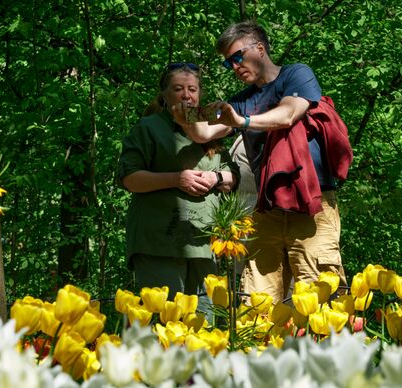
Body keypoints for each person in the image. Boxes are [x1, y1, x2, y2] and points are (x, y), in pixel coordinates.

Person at [171, 21, 351, 304]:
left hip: (312, 205)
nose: (234, 66)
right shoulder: (241, 101)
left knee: (320, 297)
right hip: (267, 210)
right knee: (258, 299)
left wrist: (242, 121)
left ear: (260, 48)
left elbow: (289, 114)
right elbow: (205, 131)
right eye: (228, 62)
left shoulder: (296, 74)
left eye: (237, 57)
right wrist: (185, 118)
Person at [117, 62, 239, 307]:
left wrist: (216, 178)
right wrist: (176, 179)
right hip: (158, 245)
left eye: (192, 89)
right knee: (163, 323)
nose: (186, 95)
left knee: (201, 329)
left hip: (205, 245)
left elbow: (233, 176)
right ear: (164, 94)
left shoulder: (210, 129)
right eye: (178, 89)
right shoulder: (149, 128)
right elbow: (129, 178)